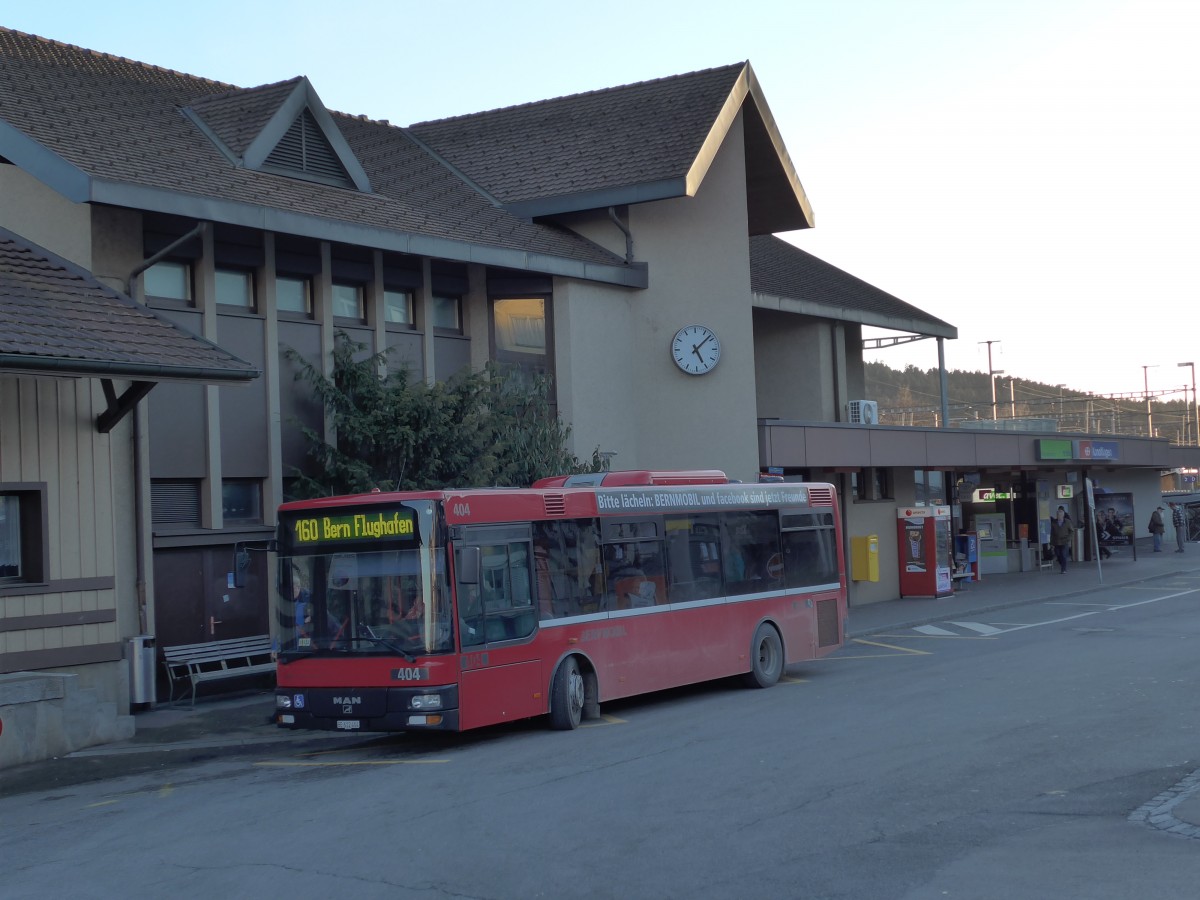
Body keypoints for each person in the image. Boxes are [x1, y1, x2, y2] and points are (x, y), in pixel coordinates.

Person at [1050, 506, 1074, 574]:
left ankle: (1063, 569)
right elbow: (1052, 533)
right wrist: (1051, 543)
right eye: (1058, 515)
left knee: (1063, 555)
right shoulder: (1054, 522)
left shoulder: (1067, 522)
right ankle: (1062, 565)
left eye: (1060, 515)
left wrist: (1068, 538)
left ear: (1063, 515)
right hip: (1056, 542)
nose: (1059, 516)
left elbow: (1072, 531)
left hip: (1064, 541)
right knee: (1058, 555)